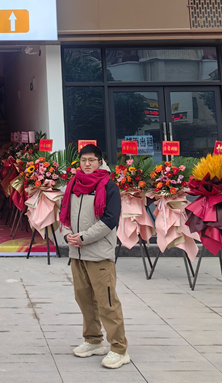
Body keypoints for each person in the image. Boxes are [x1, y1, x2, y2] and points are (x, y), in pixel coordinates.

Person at [59, 144, 129, 370]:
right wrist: (67, 235)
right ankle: (93, 340)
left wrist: (84, 237)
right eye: (83, 160)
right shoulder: (73, 185)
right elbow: (64, 215)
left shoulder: (108, 187)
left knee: (107, 302)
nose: (87, 164)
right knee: (84, 299)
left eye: (91, 160)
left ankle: (119, 349)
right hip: (77, 254)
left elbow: (110, 220)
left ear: (100, 162)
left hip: (99, 255)